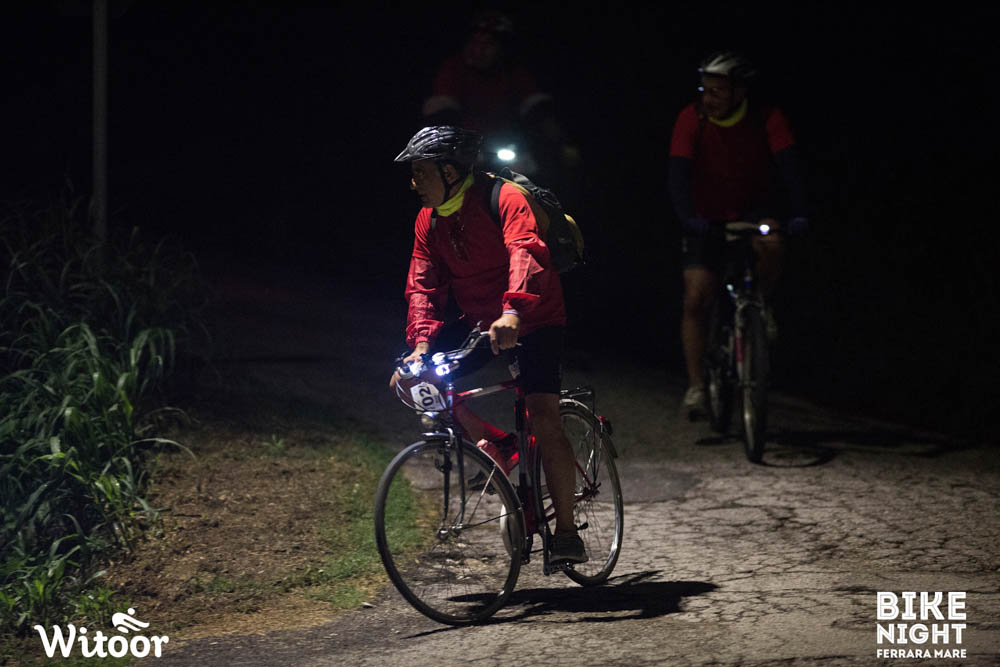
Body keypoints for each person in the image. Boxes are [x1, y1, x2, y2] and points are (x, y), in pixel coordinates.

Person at [390, 125, 587, 565]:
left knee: (543, 416)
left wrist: (514, 310)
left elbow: (525, 251)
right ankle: (498, 444)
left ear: (450, 171)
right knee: (410, 382)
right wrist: (420, 343)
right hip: (481, 322)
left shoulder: (504, 198)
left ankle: (566, 533)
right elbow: (423, 284)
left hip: (534, 317)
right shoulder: (428, 219)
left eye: (421, 173)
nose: (414, 183)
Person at [668, 51, 808, 419]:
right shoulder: (691, 118)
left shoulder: (766, 118)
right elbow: (677, 175)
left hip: (752, 210)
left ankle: (760, 306)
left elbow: (790, 168)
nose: (708, 98)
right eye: (705, 89)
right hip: (705, 217)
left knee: (773, 242)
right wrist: (687, 218)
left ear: (740, 92)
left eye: (718, 91)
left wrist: (799, 213)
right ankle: (697, 387)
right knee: (697, 296)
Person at [422, 9, 581, 208]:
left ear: (502, 49)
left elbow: (537, 109)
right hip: (465, 145)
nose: (478, 50)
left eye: (488, 45)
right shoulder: (454, 69)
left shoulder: (512, 72)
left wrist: (562, 143)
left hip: (504, 144)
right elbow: (443, 112)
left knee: (536, 184)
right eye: (475, 43)